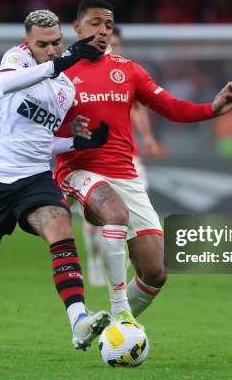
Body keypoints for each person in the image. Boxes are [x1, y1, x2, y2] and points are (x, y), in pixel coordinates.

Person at [54, 0, 232, 324]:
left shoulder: (127, 71)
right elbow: (37, 122)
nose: (103, 30)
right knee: (115, 213)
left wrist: (212, 108)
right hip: (78, 173)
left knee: (156, 272)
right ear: (77, 27)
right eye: (95, 23)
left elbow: (171, 107)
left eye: (108, 25)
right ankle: (121, 311)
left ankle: (110, 330)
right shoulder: (58, 71)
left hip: (125, 176)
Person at [0, 9, 111, 350]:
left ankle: (78, 320)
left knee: (60, 222)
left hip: (34, 179)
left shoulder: (65, 88)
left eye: (58, 43)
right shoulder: (16, 60)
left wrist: (78, 142)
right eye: (43, 44)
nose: (53, 49)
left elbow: (42, 137)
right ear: (28, 43)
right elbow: (5, 84)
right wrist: (63, 61)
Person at [82, 26, 165, 287]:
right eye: (109, 43)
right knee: (97, 215)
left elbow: (139, 110)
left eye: (116, 44)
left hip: (129, 157)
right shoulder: (87, 72)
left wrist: (148, 138)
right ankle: (95, 261)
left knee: (134, 210)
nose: (112, 47)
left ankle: (120, 265)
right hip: (95, 158)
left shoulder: (126, 73)